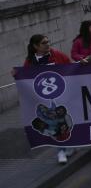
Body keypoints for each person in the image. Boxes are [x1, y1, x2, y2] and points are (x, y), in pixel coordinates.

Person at [23, 35, 72, 164]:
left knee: (64, 123)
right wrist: (16, 74)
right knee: (53, 123)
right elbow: (25, 77)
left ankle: (69, 145)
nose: (47, 44)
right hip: (43, 99)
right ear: (35, 46)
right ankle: (60, 151)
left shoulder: (58, 55)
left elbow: (71, 68)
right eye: (44, 43)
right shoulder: (30, 61)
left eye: (48, 41)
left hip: (61, 95)